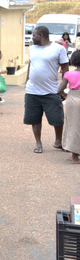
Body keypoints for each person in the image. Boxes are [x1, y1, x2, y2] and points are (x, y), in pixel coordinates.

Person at [25, 26, 69, 154]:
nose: (31, 38)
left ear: (42, 35)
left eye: (33, 35)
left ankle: (58, 141)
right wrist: (27, 81)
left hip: (51, 91)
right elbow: (30, 65)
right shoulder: (32, 49)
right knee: (34, 119)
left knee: (57, 119)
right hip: (32, 91)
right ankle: (38, 143)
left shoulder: (58, 49)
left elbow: (65, 70)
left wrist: (61, 89)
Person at [59, 50, 80, 163]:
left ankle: (74, 155)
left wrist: (64, 95)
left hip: (72, 100)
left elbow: (60, 90)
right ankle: (76, 157)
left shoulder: (68, 74)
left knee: (72, 126)